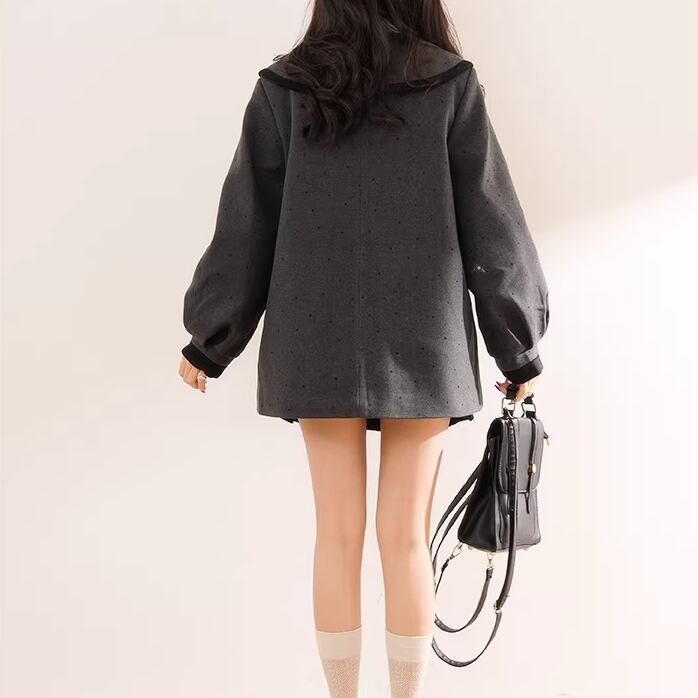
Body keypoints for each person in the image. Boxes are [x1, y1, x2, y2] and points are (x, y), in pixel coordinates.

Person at [178, 2, 549, 696]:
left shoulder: (286, 87)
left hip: (316, 336)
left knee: (338, 535)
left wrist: (209, 340)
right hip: (425, 338)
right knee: (403, 537)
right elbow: (493, 223)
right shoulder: (448, 83)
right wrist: (517, 347)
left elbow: (246, 224)